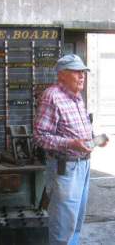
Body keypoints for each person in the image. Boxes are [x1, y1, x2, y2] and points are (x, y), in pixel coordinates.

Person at [34, 54, 108, 245]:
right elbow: (40, 136)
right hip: (64, 169)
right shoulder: (52, 96)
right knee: (63, 225)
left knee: (75, 222)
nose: (82, 75)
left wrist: (94, 139)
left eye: (83, 71)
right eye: (76, 71)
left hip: (82, 166)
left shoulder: (76, 96)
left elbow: (76, 130)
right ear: (62, 75)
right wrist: (71, 143)